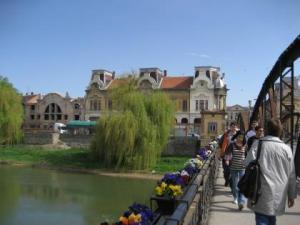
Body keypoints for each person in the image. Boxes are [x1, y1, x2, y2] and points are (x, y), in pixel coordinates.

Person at [245, 118, 296, 225]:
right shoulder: (286, 149)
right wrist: (291, 195)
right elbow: (291, 175)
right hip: (279, 192)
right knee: (271, 218)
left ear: (267, 129)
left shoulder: (258, 144)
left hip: (260, 191)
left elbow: (247, 163)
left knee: (262, 218)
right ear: (280, 131)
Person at [225, 130, 246, 210]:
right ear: (236, 136)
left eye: (241, 137)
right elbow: (228, 153)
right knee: (235, 185)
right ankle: (235, 197)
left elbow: (248, 155)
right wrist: (227, 160)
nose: (240, 138)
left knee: (242, 185)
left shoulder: (245, 145)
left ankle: (241, 202)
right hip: (233, 167)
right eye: (239, 136)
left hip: (242, 167)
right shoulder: (232, 145)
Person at [218, 122, 238, 186]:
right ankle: (227, 179)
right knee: (226, 169)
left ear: (236, 127)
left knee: (232, 169)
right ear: (230, 127)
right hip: (226, 154)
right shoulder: (226, 135)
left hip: (235, 155)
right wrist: (221, 151)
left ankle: (231, 181)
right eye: (232, 127)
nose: (233, 128)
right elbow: (220, 143)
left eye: (234, 127)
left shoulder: (239, 135)